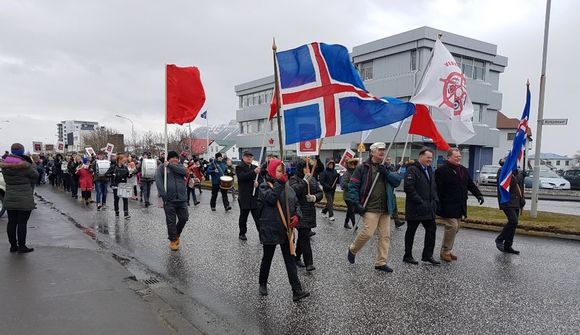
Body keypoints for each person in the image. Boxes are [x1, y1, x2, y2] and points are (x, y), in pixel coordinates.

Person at [257, 159, 309, 302]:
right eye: (279, 171)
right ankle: (262, 282)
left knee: (290, 260)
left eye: (283, 171)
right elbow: (271, 199)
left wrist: (297, 216)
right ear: (272, 171)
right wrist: (280, 183)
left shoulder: (287, 187)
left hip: (286, 229)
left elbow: (296, 203)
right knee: (267, 258)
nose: (282, 174)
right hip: (270, 228)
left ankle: (296, 290)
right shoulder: (264, 186)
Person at [346, 142, 402, 272]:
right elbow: (353, 186)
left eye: (383, 150)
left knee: (385, 236)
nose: (382, 152)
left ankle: (380, 262)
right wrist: (356, 203)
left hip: (385, 207)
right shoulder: (363, 168)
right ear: (372, 152)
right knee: (368, 233)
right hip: (370, 207)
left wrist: (387, 173)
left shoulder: (387, 167)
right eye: (379, 150)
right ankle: (353, 249)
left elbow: (397, 181)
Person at [435, 148, 484, 262]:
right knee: (452, 226)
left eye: (460, 156)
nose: (459, 158)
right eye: (456, 156)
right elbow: (436, 188)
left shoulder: (463, 170)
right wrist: (436, 202)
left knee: (456, 228)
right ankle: (445, 251)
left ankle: (448, 249)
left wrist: (479, 195)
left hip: (460, 205)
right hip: (447, 204)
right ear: (449, 157)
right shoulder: (442, 170)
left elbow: (470, 184)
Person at [403, 147, 440, 265]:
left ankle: (427, 255)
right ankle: (407, 255)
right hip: (416, 208)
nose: (430, 160)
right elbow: (408, 187)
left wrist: (435, 200)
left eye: (431, 158)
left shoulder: (429, 170)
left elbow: (433, 187)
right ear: (421, 157)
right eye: (428, 157)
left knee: (431, 230)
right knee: (411, 231)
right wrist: (419, 201)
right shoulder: (412, 170)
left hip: (429, 208)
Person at [2, 144, 39, 253]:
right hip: (24, 198)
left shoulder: (5, 166)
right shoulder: (26, 166)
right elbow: (36, 175)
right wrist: (31, 163)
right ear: (22, 151)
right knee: (22, 223)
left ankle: (13, 246)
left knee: (11, 222)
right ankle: (22, 246)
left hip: (10, 196)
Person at [290, 159, 323, 271]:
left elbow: (320, 192)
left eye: (309, 168)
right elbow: (294, 191)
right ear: (300, 168)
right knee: (305, 236)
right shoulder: (294, 179)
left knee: (303, 236)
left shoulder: (312, 178)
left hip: (310, 211)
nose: (307, 170)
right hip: (299, 211)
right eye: (305, 168)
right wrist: (304, 181)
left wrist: (315, 197)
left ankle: (296, 257)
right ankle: (309, 263)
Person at [155, 151, 189, 251]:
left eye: (176, 158)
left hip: (182, 199)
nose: (175, 159)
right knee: (171, 221)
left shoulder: (180, 166)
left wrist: (170, 165)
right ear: (168, 158)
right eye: (172, 158)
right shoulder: (162, 168)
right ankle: (173, 240)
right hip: (169, 199)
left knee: (184, 218)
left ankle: (177, 233)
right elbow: (158, 181)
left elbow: (184, 172)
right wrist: (163, 195)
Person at [495, 158, 525, 254]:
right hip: (507, 200)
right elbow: (509, 184)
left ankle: (508, 245)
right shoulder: (502, 171)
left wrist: (522, 199)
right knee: (513, 221)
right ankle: (500, 239)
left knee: (514, 223)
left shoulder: (516, 171)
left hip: (516, 201)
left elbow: (519, 187)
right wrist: (520, 176)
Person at [235, 151, 261, 241]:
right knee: (243, 217)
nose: (249, 158)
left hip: (254, 196)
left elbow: (260, 179)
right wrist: (254, 172)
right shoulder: (239, 167)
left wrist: (258, 183)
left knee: (258, 217)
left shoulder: (255, 167)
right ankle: (242, 233)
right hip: (244, 196)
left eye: (251, 156)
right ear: (243, 157)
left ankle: (262, 235)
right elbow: (242, 177)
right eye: (247, 156)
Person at [106, 154, 132, 218]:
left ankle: (126, 213)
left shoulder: (125, 167)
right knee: (116, 199)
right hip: (116, 185)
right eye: (124, 160)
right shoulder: (113, 167)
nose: (125, 162)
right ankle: (117, 212)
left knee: (125, 199)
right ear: (119, 160)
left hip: (123, 185)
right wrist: (112, 174)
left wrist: (131, 174)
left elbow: (128, 175)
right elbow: (106, 174)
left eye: (125, 161)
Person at [385, 157, 405, 228]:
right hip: (387, 192)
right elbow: (392, 172)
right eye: (387, 160)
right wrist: (399, 165)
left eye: (390, 160)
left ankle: (397, 221)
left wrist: (399, 165)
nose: (389, 161)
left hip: (392, 191)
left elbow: (393, 171)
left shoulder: (391, 167)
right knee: (390, 207)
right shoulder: (385, 168)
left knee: (395, 207)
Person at [341, 158, 359, 229]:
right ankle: (354, 225)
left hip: (353, 195)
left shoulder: (356, 173)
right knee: (351, 210)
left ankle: (346, 223)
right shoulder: (346, 173)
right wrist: (351, 186)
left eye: (353, 164)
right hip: (347, 196)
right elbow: (344, 184)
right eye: (351, 164)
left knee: (350, 210)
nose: (352, 166)